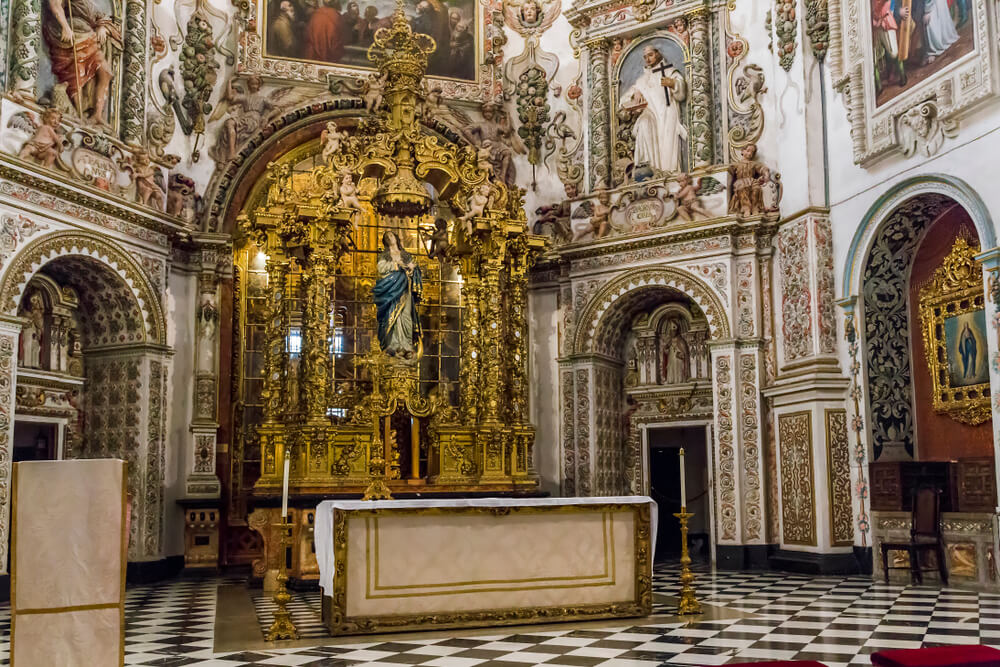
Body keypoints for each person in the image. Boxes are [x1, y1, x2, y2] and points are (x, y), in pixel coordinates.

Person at [42, 0, 121, 125]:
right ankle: (79, 113)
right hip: (72, 38)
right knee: (76, 75)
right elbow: (55, 5)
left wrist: (102, 27)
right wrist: (65, 27)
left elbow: (102, 18)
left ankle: (97, 115)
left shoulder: (89, 4)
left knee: (106, 72)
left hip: (89, 38)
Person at [619, 46, 687, 174]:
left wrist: (672, 83)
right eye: (645, 57)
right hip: (650, 113)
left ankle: (668, 172)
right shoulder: (642, 80)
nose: (647, 59)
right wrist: (635, 94)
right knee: (644, 124)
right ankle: (647, 170)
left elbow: (681, 93)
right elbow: (623, 102)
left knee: (667, 145)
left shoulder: (670, 71)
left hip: (667, 113)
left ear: (658, 54)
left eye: (650, 55)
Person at [373, 231, 423, 358]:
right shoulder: (385, 255)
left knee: (406, 316)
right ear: (385, 241)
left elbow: (414, 269)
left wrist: (412, 268)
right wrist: (396, 265)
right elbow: (380, 268)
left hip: (405, 289)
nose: (390, 238)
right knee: (392, 316)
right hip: (390, 291)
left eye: (391, 235)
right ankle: (394, 345)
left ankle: (406, 346)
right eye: (387, 237)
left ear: (396, 237)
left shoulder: (405, 255)